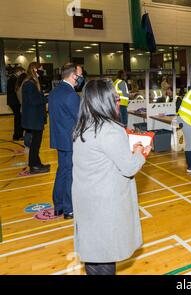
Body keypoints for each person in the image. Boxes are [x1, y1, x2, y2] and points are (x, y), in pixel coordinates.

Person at [72, 79, 151, 275]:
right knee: (105, 258)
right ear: (104, 101)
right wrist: (141, 152)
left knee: (94, 257)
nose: (118, 102)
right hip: (104, 205)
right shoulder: (109, 129)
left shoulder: (84, 125)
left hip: (86, 200)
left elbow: (106, 157)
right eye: (115, 99)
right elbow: (129, 167)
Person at [48, 63, 83, 220]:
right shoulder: (71, 95)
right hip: (70, 140)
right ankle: (69, 209)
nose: (81, 78)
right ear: (73, 75)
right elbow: (81, 119)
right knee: (70, 174)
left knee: (62, 171)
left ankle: (59, 206)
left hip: (59, 138)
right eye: (80, 75)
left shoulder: (54, 92)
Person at [21, 62, 50, 174]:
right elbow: (33, 101)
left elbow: (35, 98)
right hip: (33, 120)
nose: (42, 71)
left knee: (36, 144)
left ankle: (36, 163)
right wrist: (47, 98)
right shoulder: (29, 83)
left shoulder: (33, 83)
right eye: (41, 69)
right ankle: (34, 166)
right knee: (35, 144)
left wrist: (44, 96)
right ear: (35, 70)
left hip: (35, 119)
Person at [7, 66, 25, 140]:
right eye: (22, 72)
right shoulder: (14, 79)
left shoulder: (12, 78)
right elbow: (16, 91)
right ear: (19, 72)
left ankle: (17, 135)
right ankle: (17, 136)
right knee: (18, 119)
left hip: (13, 102)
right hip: (15, 102)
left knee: (18, 119)